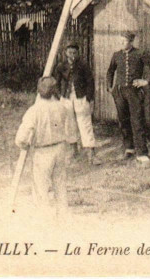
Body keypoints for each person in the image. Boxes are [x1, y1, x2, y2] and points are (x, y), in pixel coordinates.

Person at [14, 76, 71, 218]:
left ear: (39, 91)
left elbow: (21, 138)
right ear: (54, 91)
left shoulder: (34, 111)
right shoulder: (62, 107)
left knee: (41, 188)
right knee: (60, 185)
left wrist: (24, 145)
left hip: (43, 152)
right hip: (60, 148)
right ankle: (63, 217)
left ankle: (45, 220)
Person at [106, 31, 150, 165]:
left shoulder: (140, 54)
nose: (121, 43)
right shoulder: (116, 55)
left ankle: (142, 153)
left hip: (134, 92)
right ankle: (129, 148)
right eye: (120, 40)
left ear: (131, 42)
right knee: (123, 121)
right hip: (119, 93)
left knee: (137, 121)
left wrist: (146, 81)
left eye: (124, 41)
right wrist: (110, 87)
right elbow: (110, 71)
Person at [54, 41, 100, 165]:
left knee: (85, 124)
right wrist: (59, 97)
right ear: (65, 53)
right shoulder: (61, 66)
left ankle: (91, 154)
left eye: (74, 52)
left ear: (77, 53)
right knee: (69, 124)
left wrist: (88, 98)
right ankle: (73, 151)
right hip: (66, 99)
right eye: (70, 52)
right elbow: (56, 83)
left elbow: (90, 82)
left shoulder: (83, 65)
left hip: (81, 98)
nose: (72, 55)